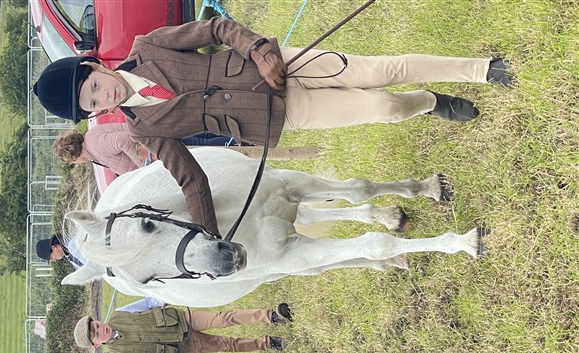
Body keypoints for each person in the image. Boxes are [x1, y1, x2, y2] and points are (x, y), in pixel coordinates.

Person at [33, 17, 513, 238]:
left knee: (381, 71)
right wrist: (207, 235)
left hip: (279, 66)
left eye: (94, 86)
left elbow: (214, 30)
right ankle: (429, 102)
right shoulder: (143, 131)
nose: (104, 97)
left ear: (95, 66)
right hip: (277, 115)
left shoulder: (148, 45)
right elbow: (190, 178)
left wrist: (259, 50)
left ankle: (479, 69)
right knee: (385, 108)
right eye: (92, 104)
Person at [72, 297, 292, 353]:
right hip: (184, 345)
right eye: (96, 334)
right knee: (227, 345)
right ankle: (268, 343)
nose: (101, 329)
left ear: (98, 320)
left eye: (97, 325)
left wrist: (166, 296)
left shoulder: (119, 313)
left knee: (224, 318)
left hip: (182, 319)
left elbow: (148, 302)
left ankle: (272, 316)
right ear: (97, 344)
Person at [53, 123, 242, 175]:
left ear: (75, 155)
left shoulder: (96, 146)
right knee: (201, 139)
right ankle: (241, 139)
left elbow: (123, 140)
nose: (78, 163)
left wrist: (143, 166)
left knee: (203, 148)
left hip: (156, 149)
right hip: (155, 139)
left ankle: (240, 147)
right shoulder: (92, 138)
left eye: (74, 161)